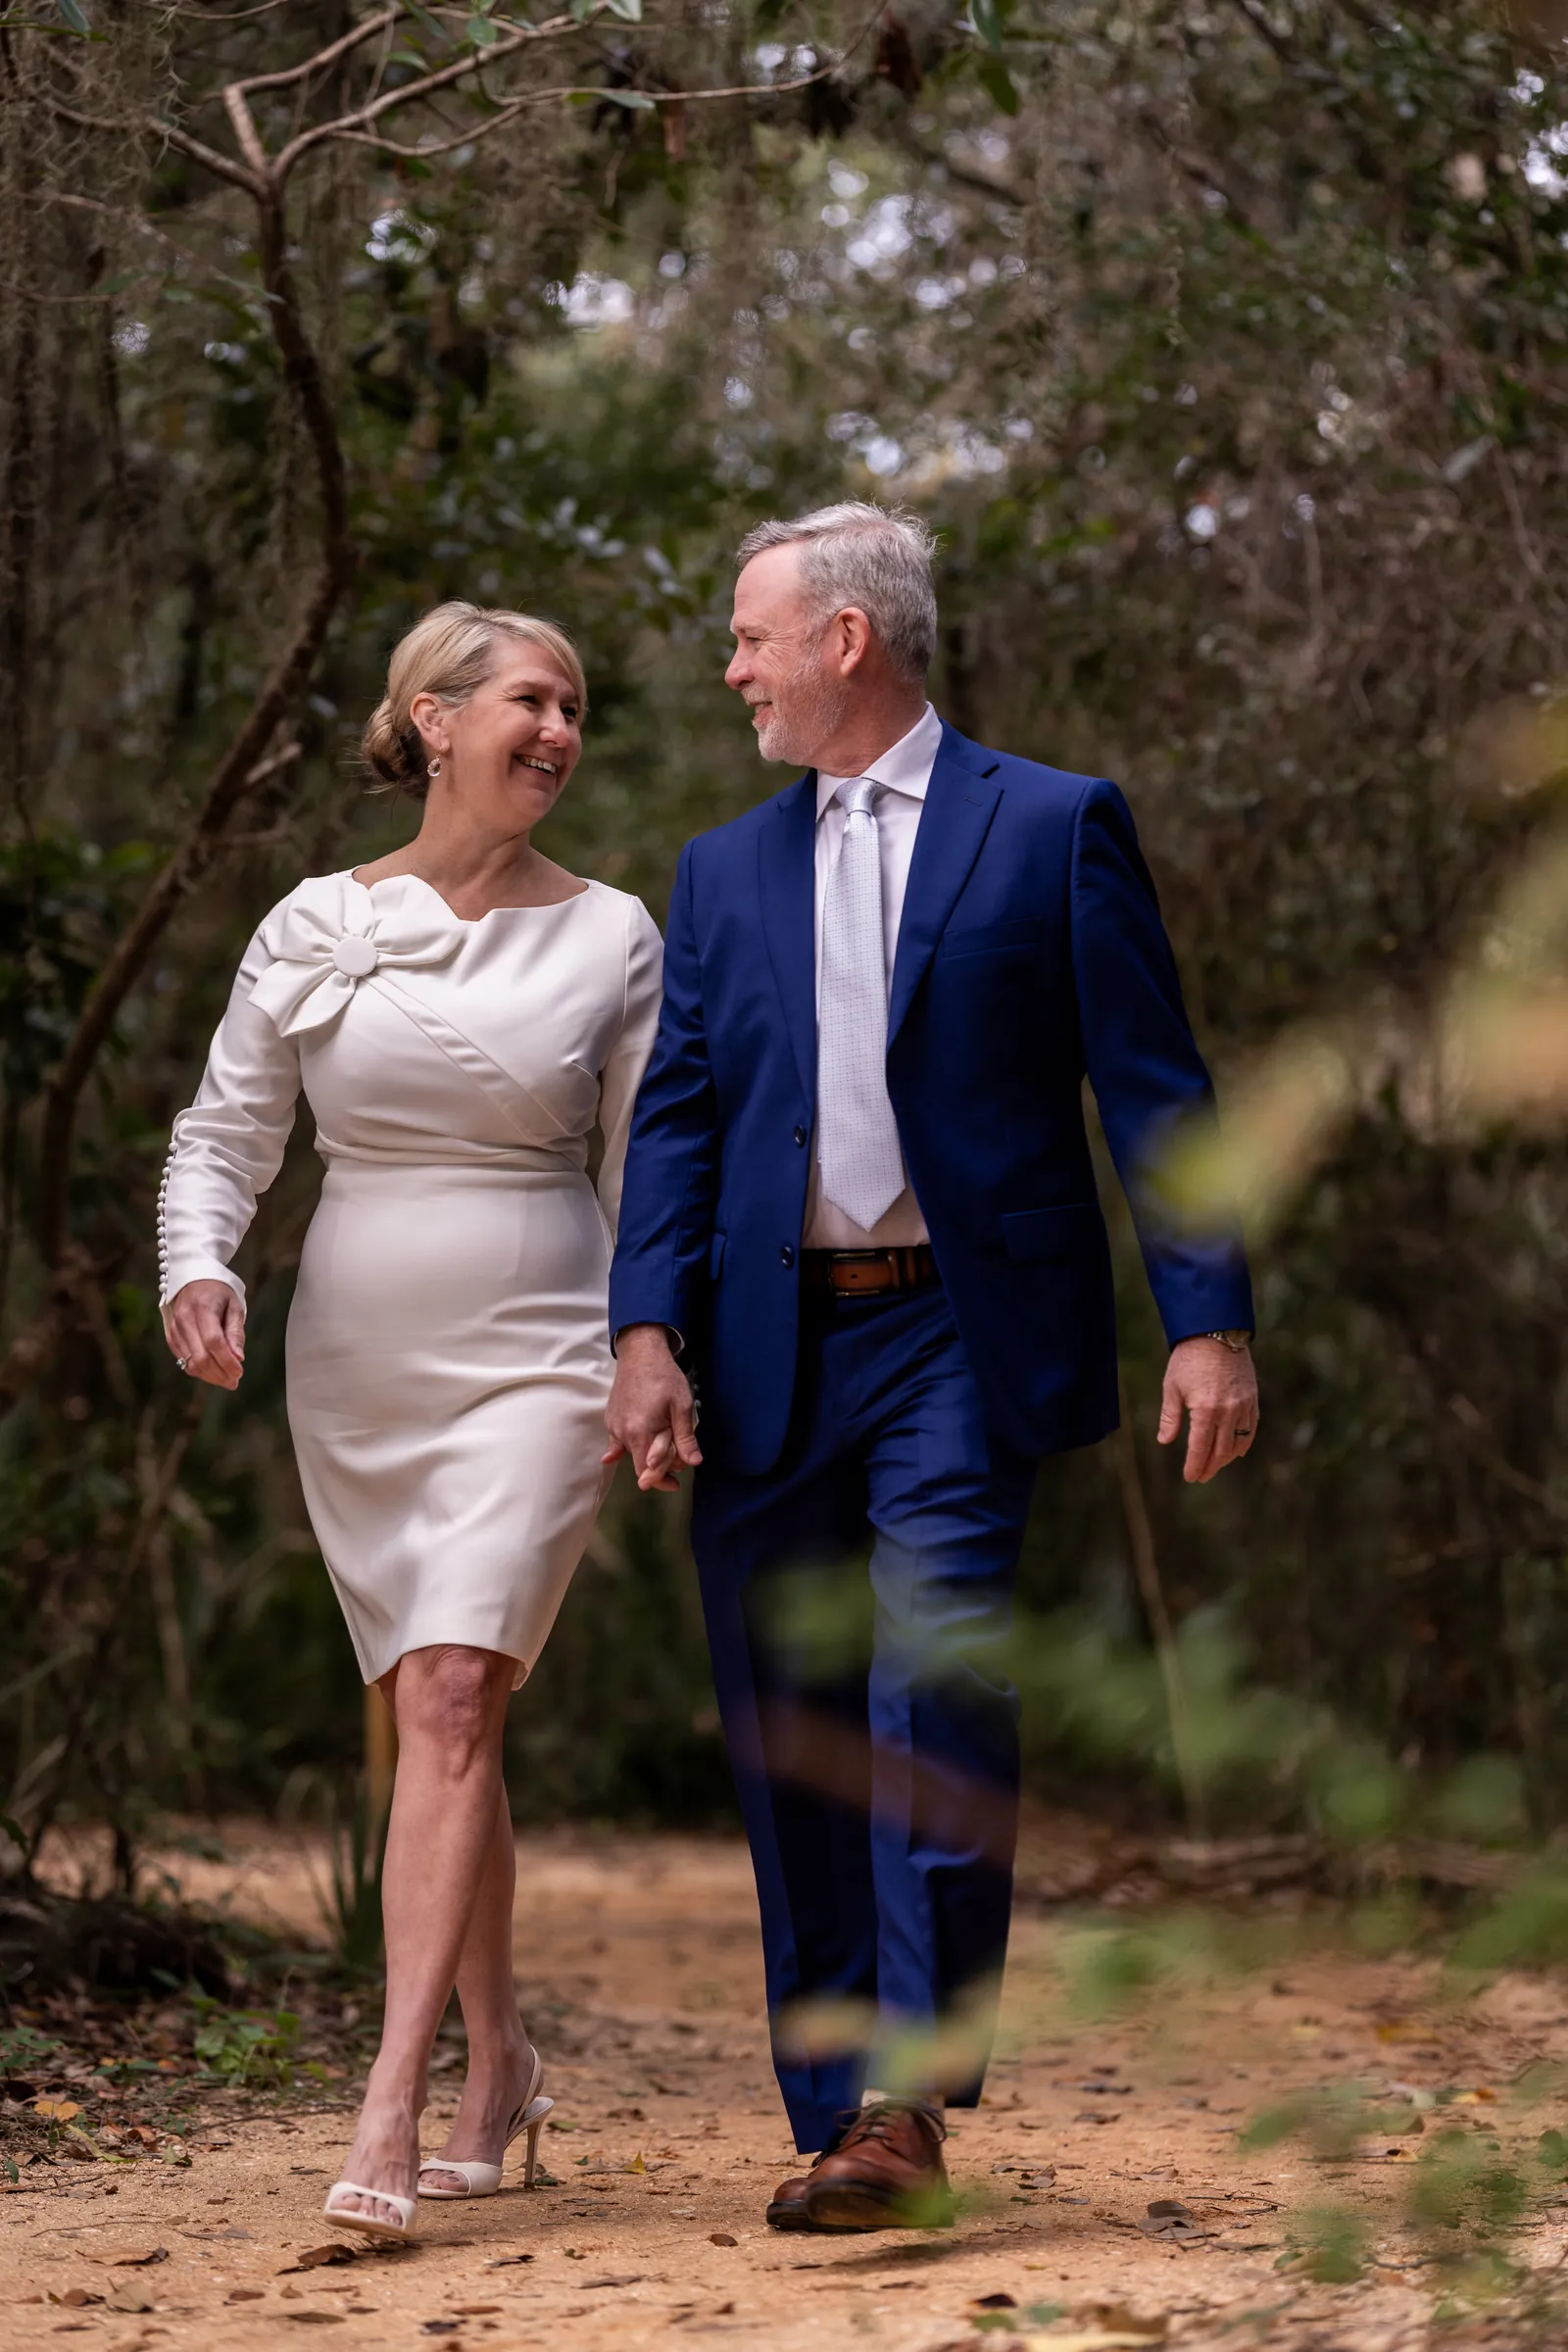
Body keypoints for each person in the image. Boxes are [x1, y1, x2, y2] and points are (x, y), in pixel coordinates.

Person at [605, 503, 1257, 2233]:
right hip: (765, 1351)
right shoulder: (720, 866)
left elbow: (1157, 1089)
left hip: (964, 1333)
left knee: (934, 1690)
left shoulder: (1051, 826)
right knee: (793, 1720)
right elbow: (681, 1119)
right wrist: (645, 1331)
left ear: (846, 639)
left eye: (751, 635)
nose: (730, 665)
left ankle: (902, 2105)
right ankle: (833, 2106)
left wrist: (1209, 1315)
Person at [159, 603, 662, 2240]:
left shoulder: (614, 936)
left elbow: (643, 1178)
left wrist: (651, 1353)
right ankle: (502, 2056)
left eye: (576, 706)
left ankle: (391, 2094)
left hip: (543, 1343)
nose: (561, 729)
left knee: (452, 1693)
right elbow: (225, 1133)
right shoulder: (314, 921)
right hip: (361, 1359)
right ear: (431, 722)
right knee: (455, 1713)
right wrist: (197, 1265)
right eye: (533, 697)